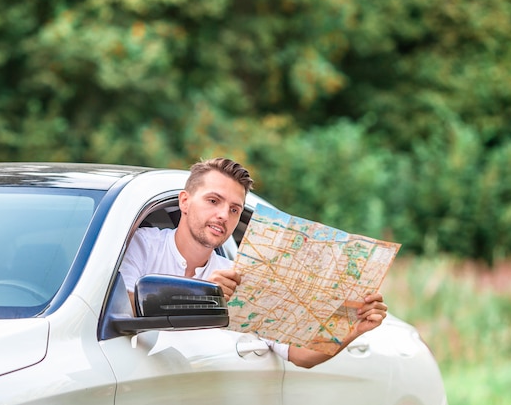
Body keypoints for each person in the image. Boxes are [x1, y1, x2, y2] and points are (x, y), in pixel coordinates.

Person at [119, 157, 388, 369]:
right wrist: (199, 295)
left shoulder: (240, 279)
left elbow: (299, 355)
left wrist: (352, 325)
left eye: (234, 209)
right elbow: (123, 305)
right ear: (185, 202)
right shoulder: (143, 243)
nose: (223, 215)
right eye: (213, 201)